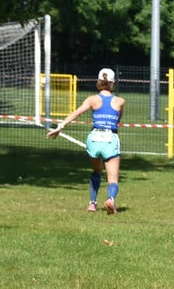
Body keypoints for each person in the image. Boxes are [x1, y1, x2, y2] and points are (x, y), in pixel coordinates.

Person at [47, 68, 126, 214]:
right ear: (113, 83)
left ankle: (92, 203)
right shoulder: (120, 101)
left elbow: (76, 113)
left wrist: (60, 126)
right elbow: (117, 120)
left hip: (94, 139)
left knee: (97, 170)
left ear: (98, 81)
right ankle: (111, 199)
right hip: (110, 138)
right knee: (113, 177)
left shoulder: (92, 100)